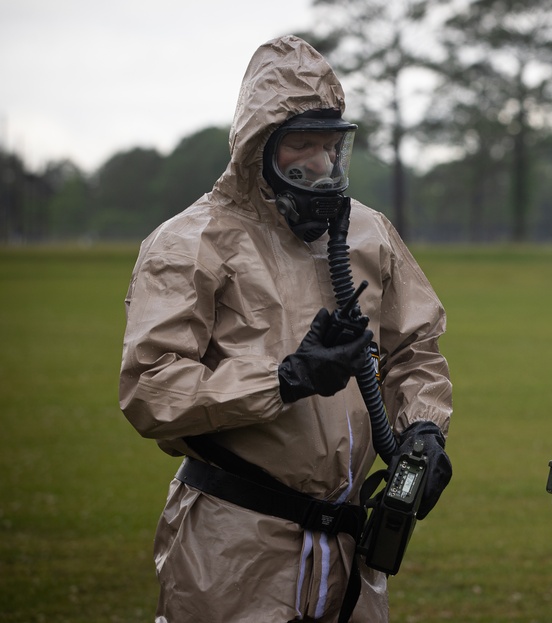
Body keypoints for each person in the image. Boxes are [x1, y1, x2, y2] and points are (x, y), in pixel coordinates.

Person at [119, 35, 452, 623]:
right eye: (301, 143)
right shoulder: (188, 242)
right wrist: (285, 378)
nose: (320, 163)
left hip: (351, 547)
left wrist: (422, 431)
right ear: (258, 149)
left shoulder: (370, 234)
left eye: (330, 144)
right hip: (234, 543)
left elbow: (414, 348)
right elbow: (151, 389)